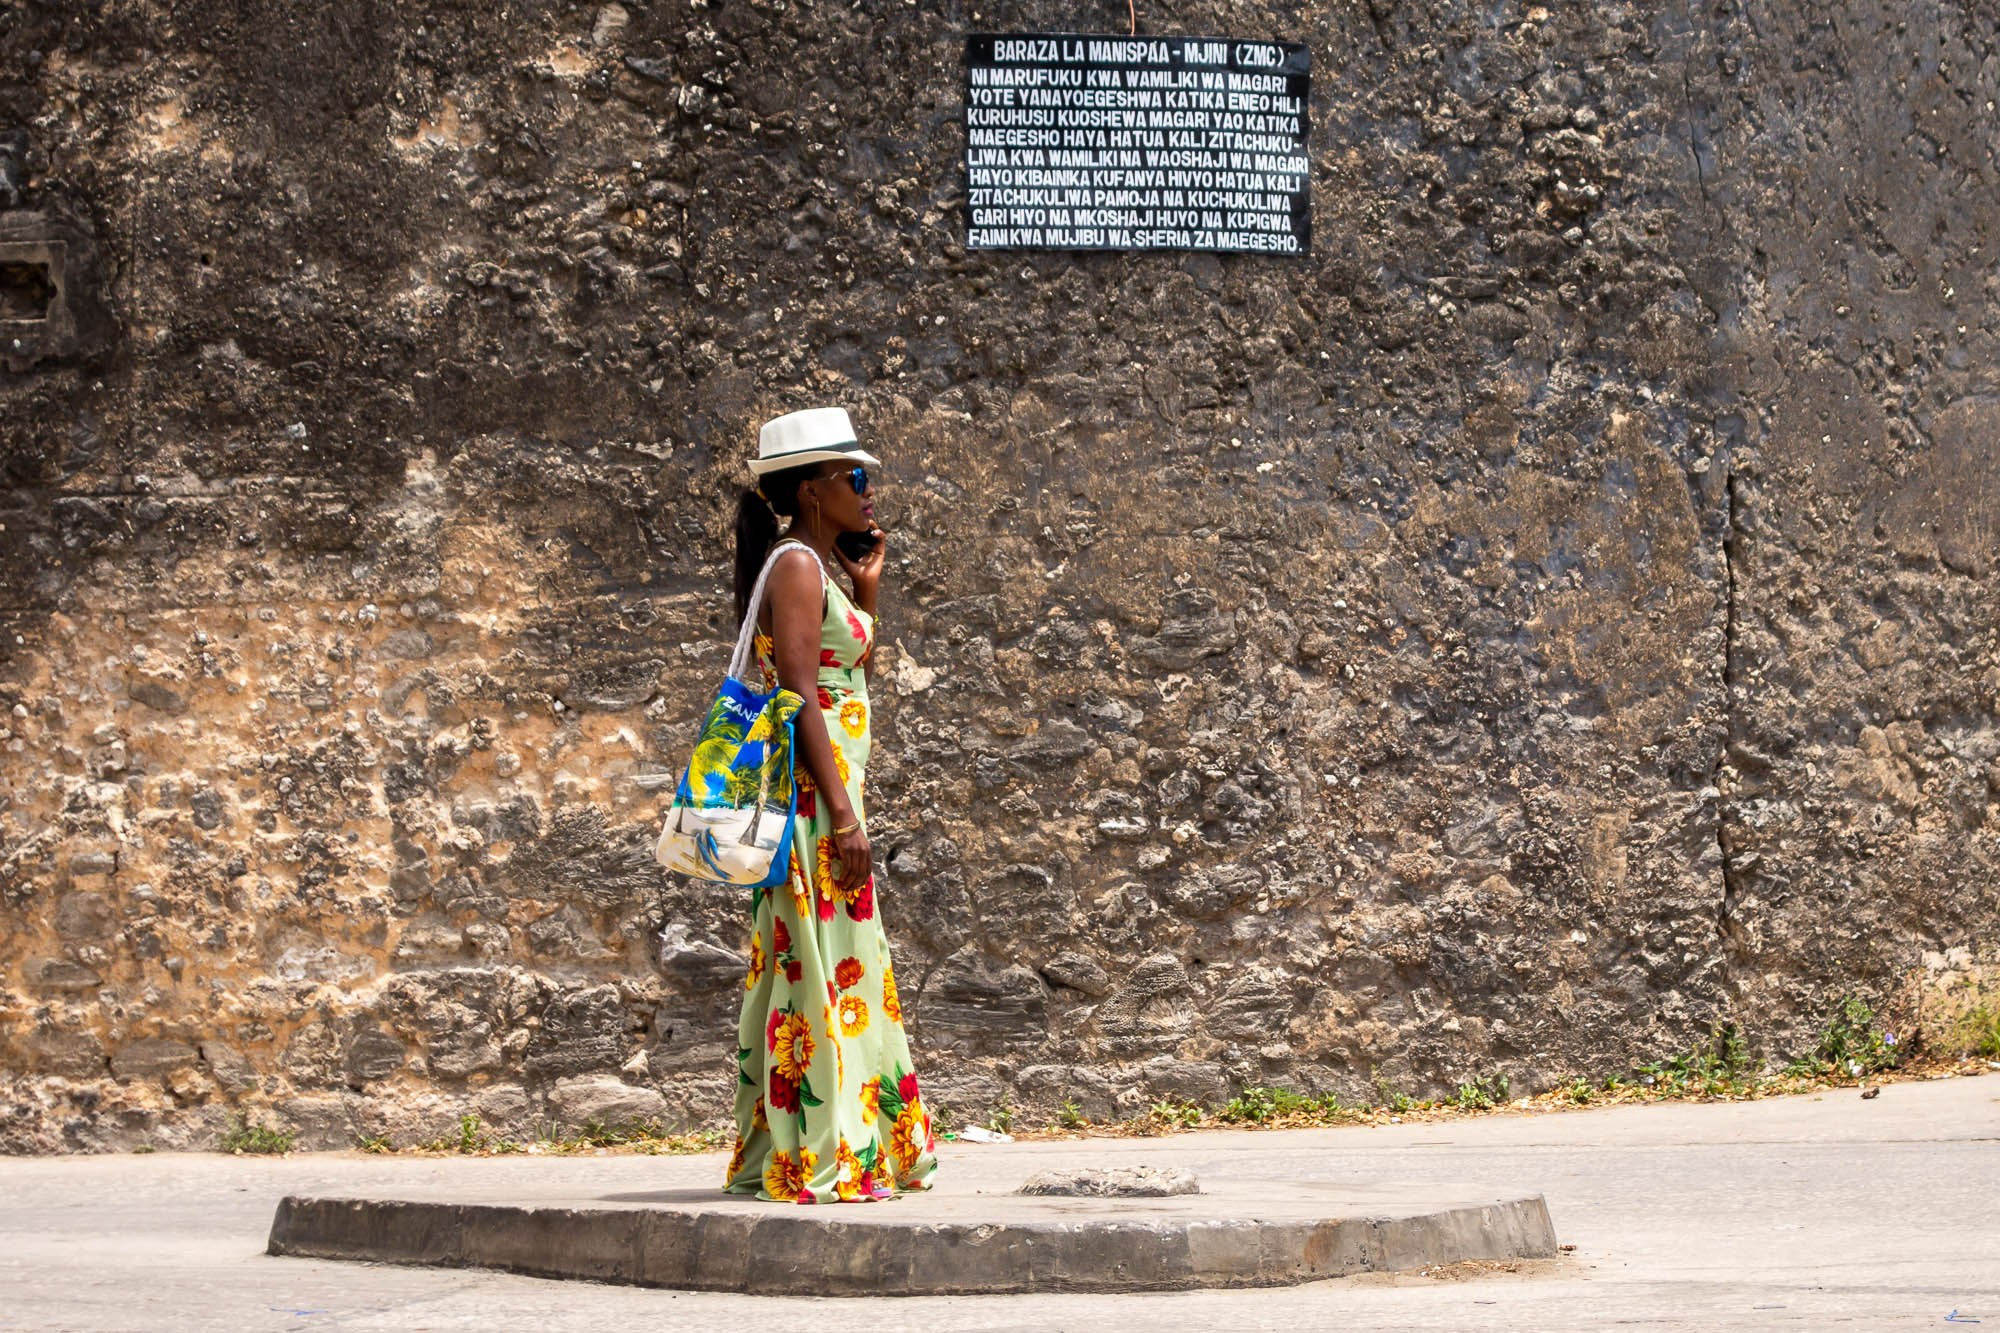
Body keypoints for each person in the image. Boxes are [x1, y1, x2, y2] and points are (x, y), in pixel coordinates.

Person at [721, 407, 939, 1204]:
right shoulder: (796, 566)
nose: (867, 488)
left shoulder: (815, 565)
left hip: (834, 802)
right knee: (824, 969)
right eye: (853, 476)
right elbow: (800, 693)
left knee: (841, 965)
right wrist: (844, 817)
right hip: (818, 812)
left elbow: (847, 681)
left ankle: (851, 1142)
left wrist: (867, 591)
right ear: (812, 490)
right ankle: (825, 1152)